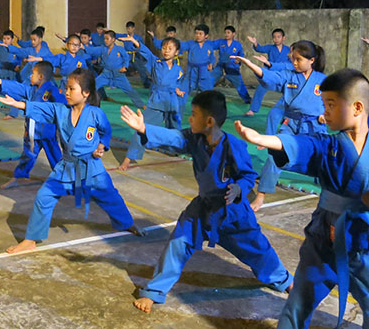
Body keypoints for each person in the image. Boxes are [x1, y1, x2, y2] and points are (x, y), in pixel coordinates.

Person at [234, 68, 369, 329]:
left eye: (330, 104)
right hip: (324, 239)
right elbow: (301, 144)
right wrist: (265, 139)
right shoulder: (328, 146)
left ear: (358, 107)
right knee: (300, 302)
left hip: (364, 242)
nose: (323, 111)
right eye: (323, 103)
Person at [120, 91, 293, 313]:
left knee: (257, 249)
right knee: (178, 243)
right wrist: (144, 129)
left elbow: (249, 176)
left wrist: (239, 188)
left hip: (233, 213)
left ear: (209, 121)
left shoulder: (233, 146)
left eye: (193, 114)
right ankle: (154, 291)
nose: (189, 119)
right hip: (203, 209)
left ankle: (284, 279)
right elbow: (173, 137)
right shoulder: (194, 139)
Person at [0, 68, 143, 253]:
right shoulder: (60, 110)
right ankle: (31, 239)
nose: (66, 92)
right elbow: (38, 108)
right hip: (66, 168)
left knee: (111, 197)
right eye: (66, 88)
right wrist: (18, 104)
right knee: (43, 197)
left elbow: (106, 132)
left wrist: (102, 146)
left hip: (91, 168)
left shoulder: (96, 114)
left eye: (71, 89)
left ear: (86, 93)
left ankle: (126, 223)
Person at [232, 40, 327, 212]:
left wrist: (325, 115)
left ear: (311, 60)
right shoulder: (288, 75)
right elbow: (269, 77)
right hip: (291, 124)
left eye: (298, 59)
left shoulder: (323, 80)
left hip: (315, 126)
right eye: (293, 59)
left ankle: (328, 193)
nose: (294, 63)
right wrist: (251, 65)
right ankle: (261, 196)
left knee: (324, 159)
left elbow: (331, 102)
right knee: (274, 156)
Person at [0, 61, 65, 189]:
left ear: (40, 76)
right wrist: (1, 82)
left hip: (48, 132)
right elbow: (20, 88)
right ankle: (19, 177)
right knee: (28, 156)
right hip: (33, 133)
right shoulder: (33, 90)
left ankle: (64, 180)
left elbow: (63, 106)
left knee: (56, 157)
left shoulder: (52, 90)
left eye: (32, 74)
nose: (30, 76)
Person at [118, 35, 186, 170]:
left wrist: (178, 90)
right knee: (141, 128)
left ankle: (179, 151)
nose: (166, 51)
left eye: (170, 48)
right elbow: (146, 53)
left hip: (172, 103)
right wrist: (134, 42)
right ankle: (128, 159)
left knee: (176, 131)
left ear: (176, 52)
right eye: (164, 48)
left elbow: (177, 84)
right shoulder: (155, 62)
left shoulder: (179, 70)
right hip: (157, 102)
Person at [84, 30, 145, 107]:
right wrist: (83, 47)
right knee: (93, 86)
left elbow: (126, 58)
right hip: (106, 74)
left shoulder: (120, 49)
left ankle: (141, 104)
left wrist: (125, 67)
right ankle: (84, 101)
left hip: (118, 74)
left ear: (113, 39)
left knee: (129, 90)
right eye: (104, 39)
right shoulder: (103, 49)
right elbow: (92, 50)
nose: (105, 41)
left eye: (107, 39)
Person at [245, 28, 290, 116]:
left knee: (289, 92)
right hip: (270, 73)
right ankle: (252, 110)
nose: (276, 39)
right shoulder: (270, 47)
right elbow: (260, 48)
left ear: (283, 38)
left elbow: (290, 61)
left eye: (278, 37)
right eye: (274, 37)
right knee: (260, 89)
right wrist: (255, 43)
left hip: (283, 74)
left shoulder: (288, 50)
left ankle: (289, 113)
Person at [211, 25, 251, 104]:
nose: (226, 34)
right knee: (210, 79)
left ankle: (247, 99)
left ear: (233, 34)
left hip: (232, 66)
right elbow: (211, 45)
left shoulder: (237, 44)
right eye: (225, 33)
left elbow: (241, 54)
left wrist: (238, 60)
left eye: (228, 32)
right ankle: (203, 96)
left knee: (239, 84)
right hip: (221, 65)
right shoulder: (220, 42)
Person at [180, 24, 217, 95]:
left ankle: (206, 105)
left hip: (204, 71)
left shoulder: (209, 46)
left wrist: (211, 64)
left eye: (200, 34)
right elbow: (179, 45)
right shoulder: (190, 44)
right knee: (183, 91)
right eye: (196, 33)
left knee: (207, 94)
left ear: (206, 36)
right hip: (191, 71)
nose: (198, 35)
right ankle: (177, 105)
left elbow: (212, 57)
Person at [117, 21, 152, 88]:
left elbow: (142, 47)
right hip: (127, 56)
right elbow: (116, 35)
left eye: (130, 28)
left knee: (141, 70)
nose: (129, 30)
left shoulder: (138, 38)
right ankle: (118, 83)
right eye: (128, 28)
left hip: (136, 56)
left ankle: (146, 83)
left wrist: (141, 55)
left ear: (133, 28)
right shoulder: (125, 36)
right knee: (120, 67)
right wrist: (109, 32)